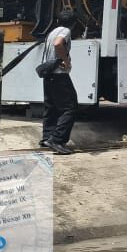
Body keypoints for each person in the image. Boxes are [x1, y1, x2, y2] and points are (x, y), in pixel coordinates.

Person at [40, 9, 78, 155]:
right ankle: (57, 140)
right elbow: (58, 44)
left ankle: (47, 137)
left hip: (48, 74)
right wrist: (66, 60)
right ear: (73, 24)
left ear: (58, 21)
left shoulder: (52, 31)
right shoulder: (65, 31)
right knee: (70, 107)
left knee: (51, 106)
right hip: (58, 75)